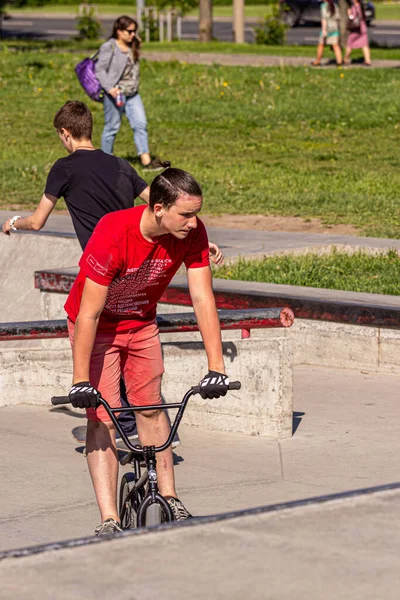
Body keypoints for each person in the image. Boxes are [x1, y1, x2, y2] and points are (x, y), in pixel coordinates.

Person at [1, 101, 224, 443]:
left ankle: (122, 425)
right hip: (139, 257)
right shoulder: (119, 164)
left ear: (65, 134)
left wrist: (14, 223)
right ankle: (146, 420)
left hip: (106, 262)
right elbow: (160, 201)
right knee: (128, 337)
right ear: (90, 128)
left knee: (103, 333)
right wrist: (193, 237)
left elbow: (39, 219)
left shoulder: (63, 168)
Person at [65, 168, 230, 534]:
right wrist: (79, 380)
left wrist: (216, 366)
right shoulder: (114, 231)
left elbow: (202, 297)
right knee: (103, 417)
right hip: (97, 328)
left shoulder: (193, 233)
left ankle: (169, 497)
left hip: (140, 323)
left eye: (196, 213)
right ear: (158, 208)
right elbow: (88, 313)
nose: (194, 222)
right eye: (185, 215)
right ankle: (108, 518)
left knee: (151, 407)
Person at [96, 15, 161, 170]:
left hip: (133, 94)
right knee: (111, 127)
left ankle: (146, 161)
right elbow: (99, 70)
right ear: (119, 31)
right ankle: (105, 162)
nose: (133, 34)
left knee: (140, 124)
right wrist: (109, 88)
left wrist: (136, 41)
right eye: (130, 31)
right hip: (115, 94)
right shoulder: (109, 47)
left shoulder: (133, 45)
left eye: (135, 31)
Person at [311, 0, 342, 67]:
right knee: (335, 45)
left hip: (327, 28)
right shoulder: (335, 6)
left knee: (321, 45)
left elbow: (324, 19)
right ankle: (339, 62)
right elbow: (338, 17)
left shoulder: (324, 6)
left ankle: (317, 61)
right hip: (335, 28)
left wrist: (324, 30)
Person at [344, 0, 371, 66]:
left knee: (350, 44)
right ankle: (368, 60)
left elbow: (352, 17)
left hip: (356, 29)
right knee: (364, 44)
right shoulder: (361, 6)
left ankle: (345, 58)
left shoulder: (354, 7)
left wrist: (349, 14)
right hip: (362, 27)